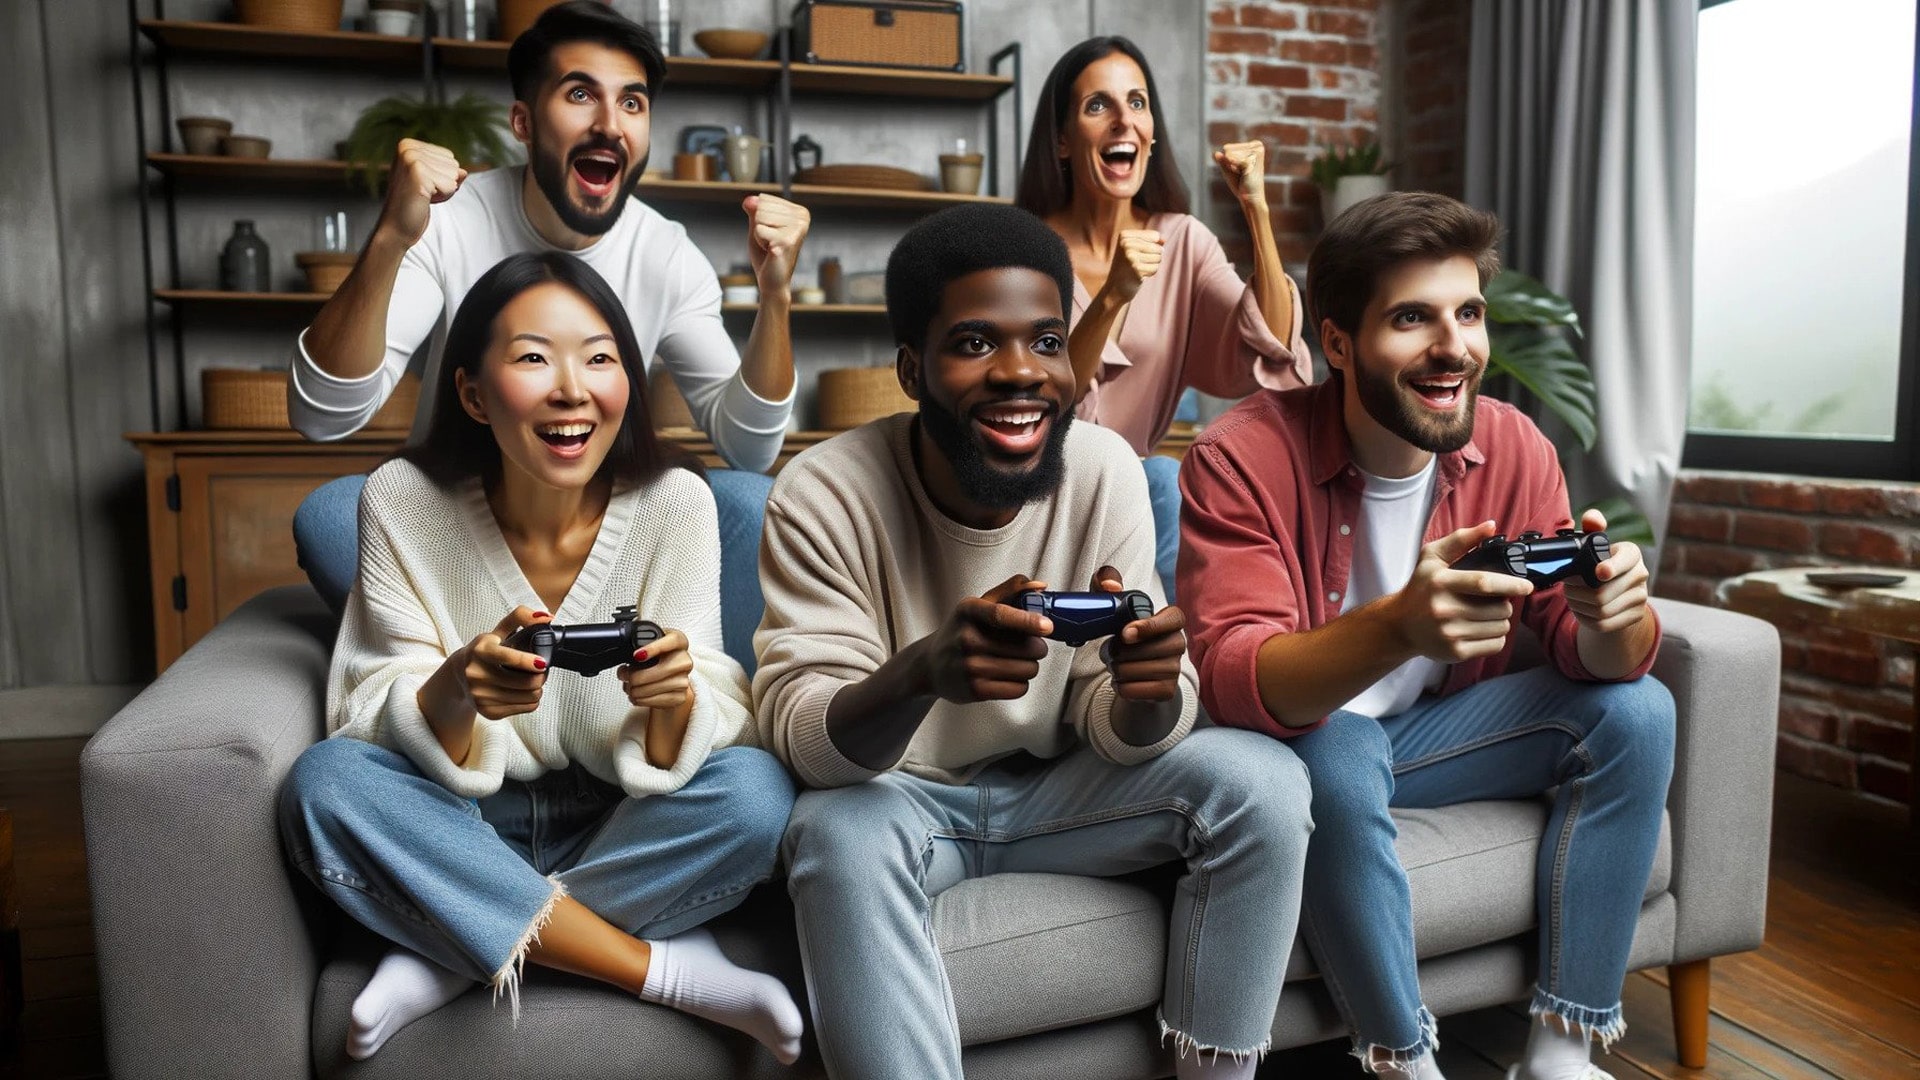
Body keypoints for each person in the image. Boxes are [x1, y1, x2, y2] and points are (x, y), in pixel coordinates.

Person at [754, 204, 1313, 1080]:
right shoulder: (823, 492)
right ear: (912, 369)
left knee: (1265, 782)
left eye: (1047, 342)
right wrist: (922, 674)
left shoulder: (1103, 470)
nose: (1021, 373)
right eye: (975, 343)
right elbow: (809, 746)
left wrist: (1149, 690)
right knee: (835, 832)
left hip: (1065, 796)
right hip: (903, 804)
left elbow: (1121, 723)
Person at [1178, 192, 1674, 1080]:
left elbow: (1581, 652)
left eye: (1468, 314)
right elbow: (1236, 679)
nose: (1455, 348)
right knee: (1335, 752)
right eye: (1413, 318)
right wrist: (1399, 625)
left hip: (1436, 739)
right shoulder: (1240, 457)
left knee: (1640, 711)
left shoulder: (1514, 447)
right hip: (1308, 749)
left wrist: (1614, 618)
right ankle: (1404, 1059)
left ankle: (1560, 1053)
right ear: (1336, 343)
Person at [278, 251, 802, 1065]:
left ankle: (458, 943)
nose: (572, 388)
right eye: (533, 357)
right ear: (472, 393)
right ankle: (659, 968)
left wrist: (673, 699)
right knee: (324, 786)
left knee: (759, 794)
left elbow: (716, 713)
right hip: (457, 820)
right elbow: (368, 704)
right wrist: (457, 690)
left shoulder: (676, 503)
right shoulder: (402, 501)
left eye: (601, 358)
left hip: (622, 821)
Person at [289, 0, 807, 610]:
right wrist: (390, 240)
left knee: (752, 499)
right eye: (580, 94)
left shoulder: (666, 252)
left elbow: (751, 449)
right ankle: (484, 636)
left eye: (632, 103)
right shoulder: (447, 223)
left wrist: (775, 295)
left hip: (607, 525)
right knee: (328, 516)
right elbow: (323, 415)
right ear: (524, 121)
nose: (611, 124)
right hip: (460, 515)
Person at [1016, 36, 1312, 595]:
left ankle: (1212, 660)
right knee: (1157, 476)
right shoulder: (1022, 250)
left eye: (1138, 102)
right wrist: (1112, 297)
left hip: (1134, 500)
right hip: (1034, 494)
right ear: (1061, 140)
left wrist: (1257, 209)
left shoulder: (1182, 241)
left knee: (1161, 477)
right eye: (1097, 105)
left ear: (1151, 134)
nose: (1123, 121)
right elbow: (1041, 402)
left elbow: (1272, 344)